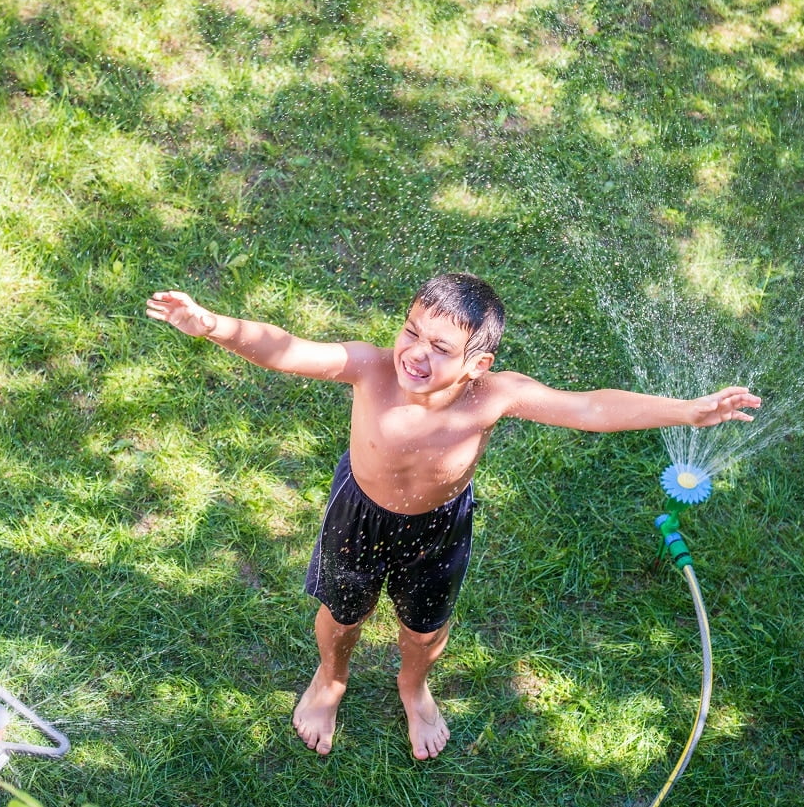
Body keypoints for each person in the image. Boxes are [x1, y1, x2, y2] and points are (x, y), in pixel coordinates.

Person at [145, 273, 760, 761]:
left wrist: (686, 410)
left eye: (441, 347)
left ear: (477, 365)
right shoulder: (369, 368)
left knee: (426, 629)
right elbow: (285, 350)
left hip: (437, 529)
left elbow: (590, 407)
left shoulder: (493, 397)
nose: (415, 352)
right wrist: (213, 325)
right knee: (340, 612)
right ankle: (331, 678)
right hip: (358, 513)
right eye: (412, 331)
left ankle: (413, 685)